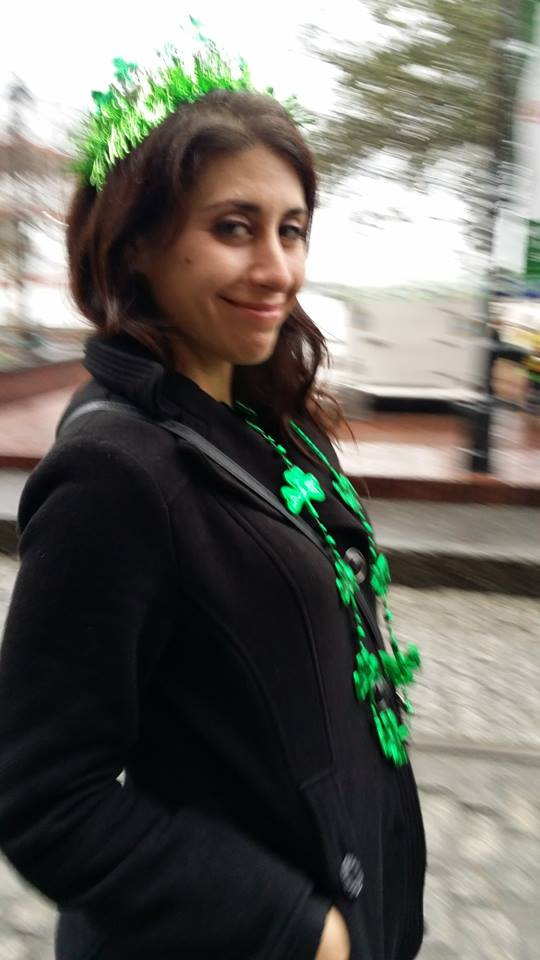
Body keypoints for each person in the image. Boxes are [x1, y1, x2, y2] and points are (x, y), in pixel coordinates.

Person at [0, 39, 425, 960]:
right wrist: (298, 929)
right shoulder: (115, 473)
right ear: (139, 243)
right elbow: (44, 798)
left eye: (292, 229)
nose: (277, 268)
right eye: (235, 228)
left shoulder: (271, 419)